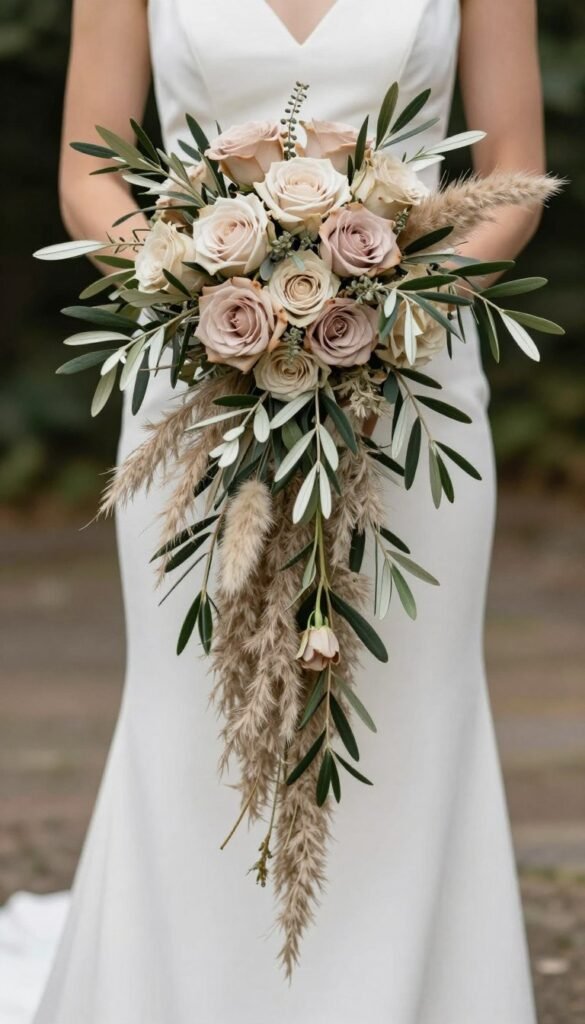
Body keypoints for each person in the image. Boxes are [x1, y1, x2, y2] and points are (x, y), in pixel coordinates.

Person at [25, 1, 546, 1021]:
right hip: (198, 374)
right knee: (191, 712)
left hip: (412, 386)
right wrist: (197, 291)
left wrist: (388, 306)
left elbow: (515, 171)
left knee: (407, 710)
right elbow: (89, 175)